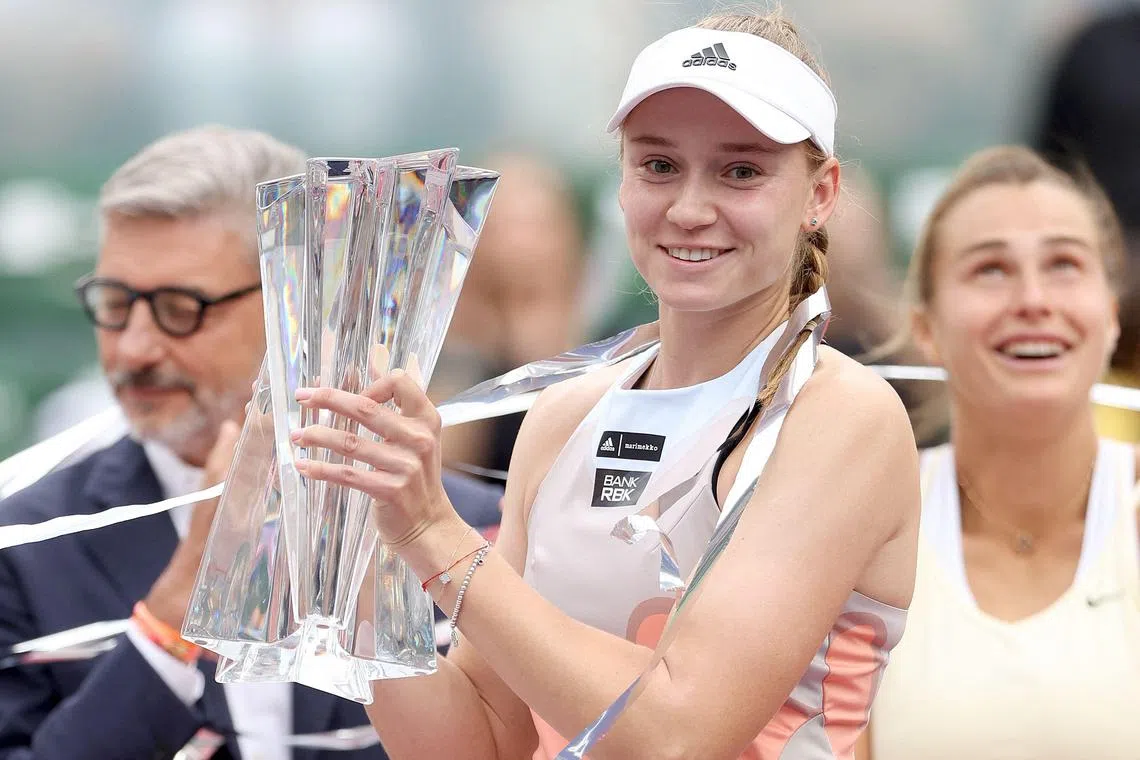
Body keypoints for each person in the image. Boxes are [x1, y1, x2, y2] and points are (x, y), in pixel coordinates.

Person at [291, 10, 920, 759]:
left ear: (820, 194)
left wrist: (435, 536)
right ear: (621, 182)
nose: (689, 209)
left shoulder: (842, 414)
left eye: (741, 170)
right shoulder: (564, 419)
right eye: (658, 166)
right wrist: (360, 550)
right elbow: (477, 743)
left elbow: (679, 734)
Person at [0, 125, 504, 760]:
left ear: (297, 300)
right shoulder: (25, 546)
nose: (133, 348)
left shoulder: (472, 535)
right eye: (115, 302)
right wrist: (175, 609)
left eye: (180, 307)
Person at [859, 146, 1140, 760]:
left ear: (1111, 317)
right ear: (927, 327)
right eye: (990, 269)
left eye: (1065, 263)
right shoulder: (863, 540)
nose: (1034, 299)